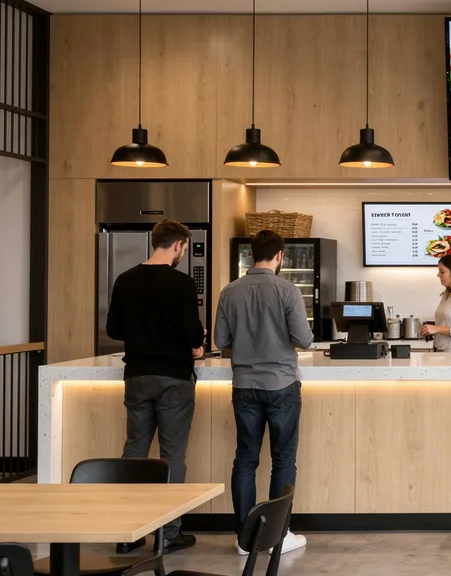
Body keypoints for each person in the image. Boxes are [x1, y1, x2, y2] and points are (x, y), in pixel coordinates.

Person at [105, 219, 205, 554]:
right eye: (185, 248)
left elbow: (114, 329)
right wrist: (197, 343)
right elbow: (192, 333)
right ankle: (168, 533)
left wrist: (142, 332)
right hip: (173, 378)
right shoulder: (181, 284)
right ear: (178, 246)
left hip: (136, 375)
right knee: (171, 455)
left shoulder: (125, 280)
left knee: (134, 451)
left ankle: (126, 532)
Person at [214, 229, 313, 555]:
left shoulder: (229, 291)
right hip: (282, 384)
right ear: (280, 255)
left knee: (245, 459)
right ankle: (277, 537)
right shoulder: (288, 290)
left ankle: (245, 539)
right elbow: (305, 338)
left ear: (251, 254)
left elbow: (221, 342)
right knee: (283, 459)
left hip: (244, 385)